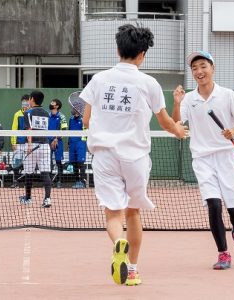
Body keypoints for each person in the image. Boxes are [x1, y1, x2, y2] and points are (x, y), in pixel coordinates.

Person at [79, 24, 188, 286]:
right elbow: (164, 122)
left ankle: (119, 243)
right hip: (136, 157)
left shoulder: (99, 79)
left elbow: (85, 120)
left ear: (118, 49)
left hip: (104, 156)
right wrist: (179, 132)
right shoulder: (148, 83)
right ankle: (134, 269)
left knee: (113, 215)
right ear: (142, 54)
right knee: (134, 213)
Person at [172, 51, 234, 270]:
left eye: (203, 66)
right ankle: (223, 253)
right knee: (214, 205)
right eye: (195, 68)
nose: (199, 71)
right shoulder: (189, 98)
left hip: (228, 156)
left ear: (212, 68)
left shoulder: (227, 95)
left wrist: (233, 131)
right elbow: (177, 123)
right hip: (203, 158)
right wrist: (177, 102)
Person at [20, 91, 52, 208]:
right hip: (45, 145)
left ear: (32, 99)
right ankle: (47, 199)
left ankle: (28, 198)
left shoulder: (28, 112)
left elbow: (29, 130)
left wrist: (29, 145)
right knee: (45, 173)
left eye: (29, 99)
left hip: (32, 146)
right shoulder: (46, 113)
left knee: (29, 173)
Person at [10, 94, 30, 185]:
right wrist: (13, 142)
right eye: (23, 102)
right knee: (17, 162)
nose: (25, 103)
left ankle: (28, 182)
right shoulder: (17, 114)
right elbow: (14, 129)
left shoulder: (32, 113)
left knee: (29, 163)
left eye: (27, 101)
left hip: (30, 144)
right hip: (19, 143)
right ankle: (16, 181)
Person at [48, 98, 68, 188]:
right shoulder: (47, 115)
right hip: (47, 142)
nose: (51, 103)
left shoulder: (62, 116)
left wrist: (56, 138)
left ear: (57, 106)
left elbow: (64, 129)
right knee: (48, 162)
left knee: (58, 161)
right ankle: (49, 182)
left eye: (53, 103)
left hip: (58, 142)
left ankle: (60, 181)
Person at [68, 106, 87, 189]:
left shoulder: (83, 119)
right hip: (72, 144)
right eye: (73, 109)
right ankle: (76, 181)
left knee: (81, 163)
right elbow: (69, 130)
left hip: (80, 143)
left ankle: (82, 182)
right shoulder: (71, 119)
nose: (74, 110)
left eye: (76, 109)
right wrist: (68, 142)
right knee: (74, 163)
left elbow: (87, 131)